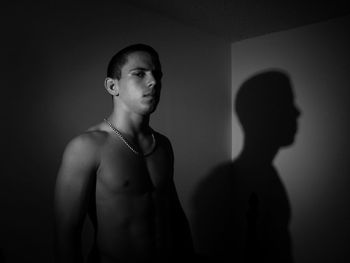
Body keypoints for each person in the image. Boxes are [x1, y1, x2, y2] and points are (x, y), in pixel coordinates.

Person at [54, 44, 194, 263]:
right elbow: (66, 234)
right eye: (139, 74)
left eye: (157, 75)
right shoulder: (86, 147)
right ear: (112, 86)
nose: (154, 82)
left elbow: (174, 214)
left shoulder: (163, 145)